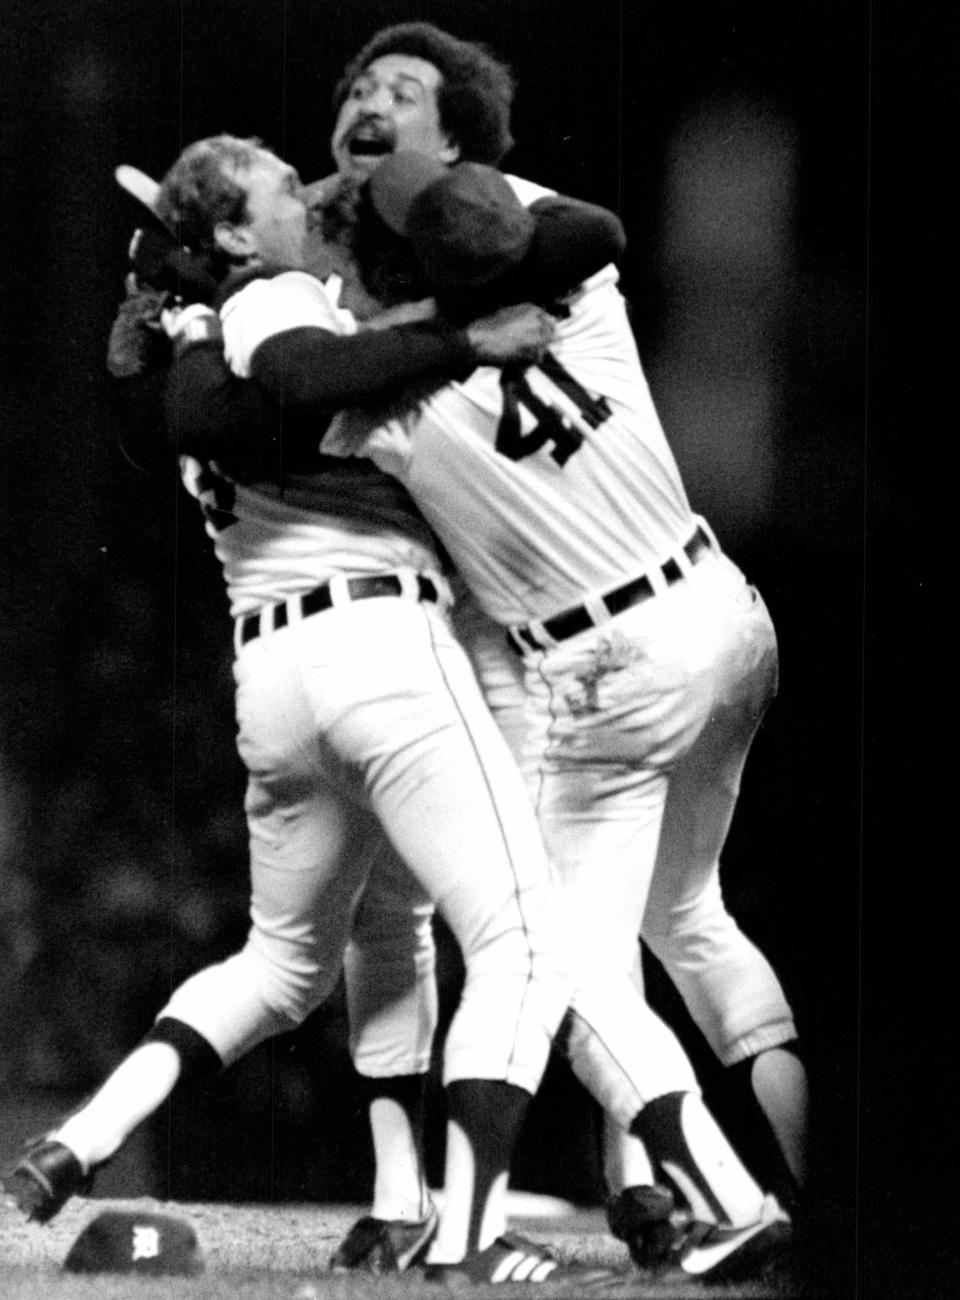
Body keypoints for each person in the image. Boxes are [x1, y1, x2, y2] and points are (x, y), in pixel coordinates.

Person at [155, 141, 795, 1299]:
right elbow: (585, 228)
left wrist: (191, 313)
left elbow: (251, 408)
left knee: (551, 947)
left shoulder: (375, 397)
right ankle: (687, 1186)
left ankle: (709, 1198)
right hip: (722, 610)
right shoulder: (571, 299)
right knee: (690, 924)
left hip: (601, 667)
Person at [2, 132, 621, 1289]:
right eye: (283, 186)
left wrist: (162, 315)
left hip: (274, 673)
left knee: (303, 958)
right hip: (376, 639)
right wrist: (460, 340)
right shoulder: (277, 303)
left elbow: (195, 419)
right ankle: (470, 1234)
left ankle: (85, 1142)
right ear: (235, 232)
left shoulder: (198, 349)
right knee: (526, 935)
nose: (308, 191)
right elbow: (301, 380)